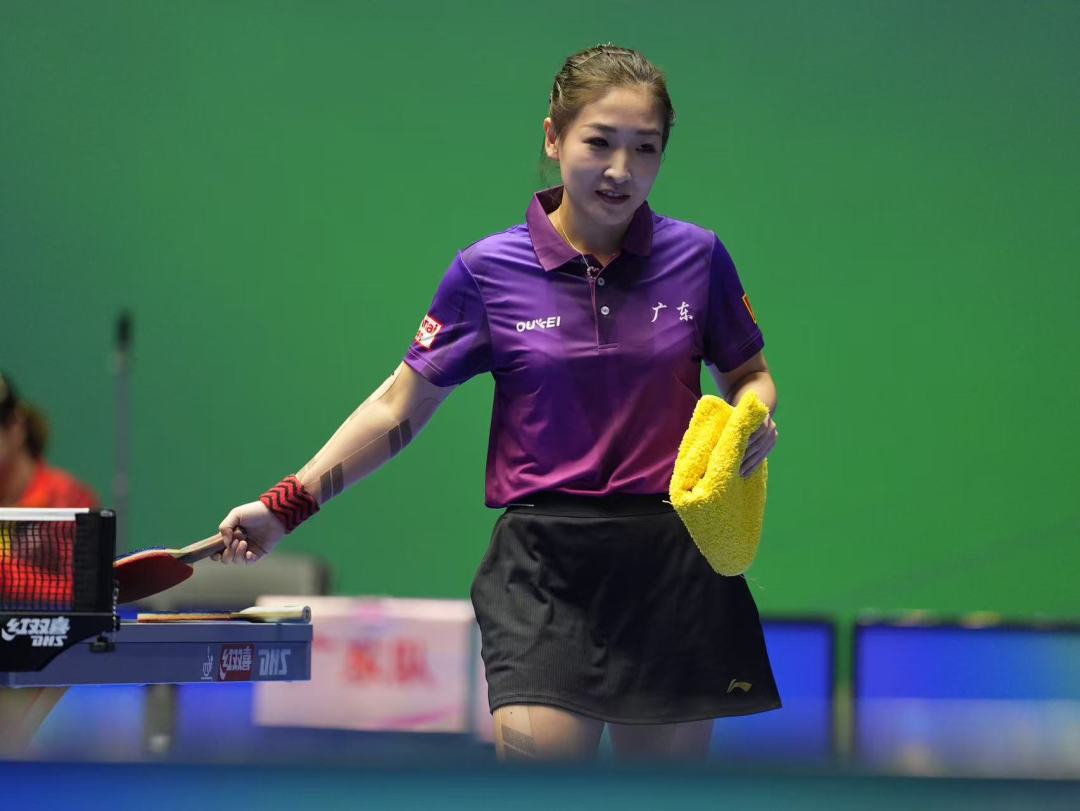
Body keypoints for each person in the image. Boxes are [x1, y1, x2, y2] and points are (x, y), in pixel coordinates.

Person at [214, 44, 781, 761]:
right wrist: (285, 505)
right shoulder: (487, 272)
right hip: (543, 571)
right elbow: (397, 408)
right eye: (599, 142)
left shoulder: (698, 258)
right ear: (553, 138)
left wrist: (752, 417)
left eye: (645, 148)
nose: (621, 169)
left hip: (673, 564)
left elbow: (750, 374)